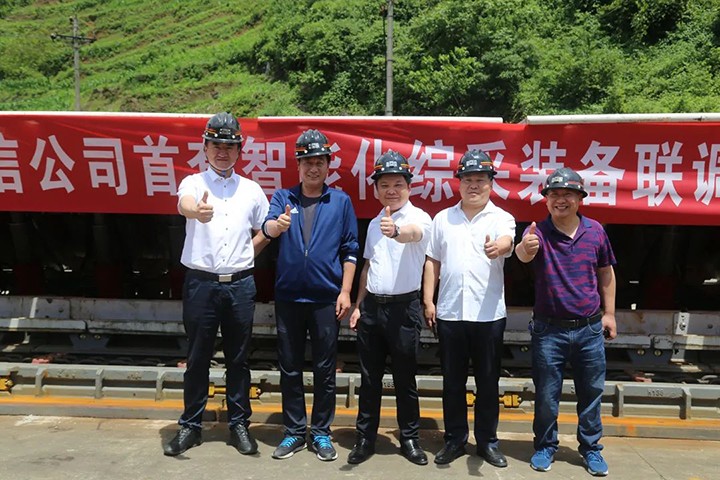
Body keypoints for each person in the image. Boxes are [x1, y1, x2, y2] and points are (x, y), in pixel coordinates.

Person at [164, 112, 270, 456]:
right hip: (201, 284)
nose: (222, 152)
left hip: (240, 285)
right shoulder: (194, 184)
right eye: (216, 146)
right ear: (205, 148)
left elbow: (265, 229)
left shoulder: (251, 190)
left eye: (229, 146)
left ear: (239, 150)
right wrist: (196, 212)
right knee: (198, 357)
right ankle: (191, 426)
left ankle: (239, 425)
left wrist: (248, 252)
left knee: (239, 358)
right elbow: (184, 204)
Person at [262, 129, 359, 462]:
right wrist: (277, 226)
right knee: (289, 367)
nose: (313, 168)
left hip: (325, 298)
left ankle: (320, 432)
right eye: (307, 162)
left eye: (319, 162)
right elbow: (269, 227)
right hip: (289, 297)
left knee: (325, 368)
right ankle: (293, 431)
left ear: (328, 165)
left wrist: (345, 291)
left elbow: (350, 249)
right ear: (298, 166)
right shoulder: (283, 197)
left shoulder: (340, 202)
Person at [515, 167, 617, 477]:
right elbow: (522, 254)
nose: (560, 200)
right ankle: (545, 446)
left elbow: (606, 273)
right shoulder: (537, 233)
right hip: (549, 330)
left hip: (589, 328)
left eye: (567, 194)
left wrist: (610, 314)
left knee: (591, 394)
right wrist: (525, 248)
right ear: (546, 200)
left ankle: (591, 448)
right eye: (554, 194)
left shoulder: (595, 231)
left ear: (579, 198)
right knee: (547, 395)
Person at [423, 149, 515, 468]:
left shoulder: (501, 218)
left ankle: (487, 442)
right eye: (467, 179)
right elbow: (432, 261)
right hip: (450, 313)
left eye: (480, 179)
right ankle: (455, 439)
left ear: (491, 183)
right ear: (458, 183)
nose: (473, 185)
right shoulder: (442, 218)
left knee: (488, 383)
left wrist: (497, 248)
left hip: (488, 315)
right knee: (452, 382)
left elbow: (507, 242)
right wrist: (428, 299)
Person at [346, 150, 432, 466]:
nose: (391, 190)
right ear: (376, 189)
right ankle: (365, 439)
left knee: (404, 379)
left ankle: (409, 438)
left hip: (403, 309)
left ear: (409, 186)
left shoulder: (419, 218)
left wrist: (396, 231)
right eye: (384, 184)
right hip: (372, 308)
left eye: (398, 184)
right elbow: (368, 266)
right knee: (369, 378)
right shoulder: (373, 224)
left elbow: (414, 234)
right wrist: (358, 305)